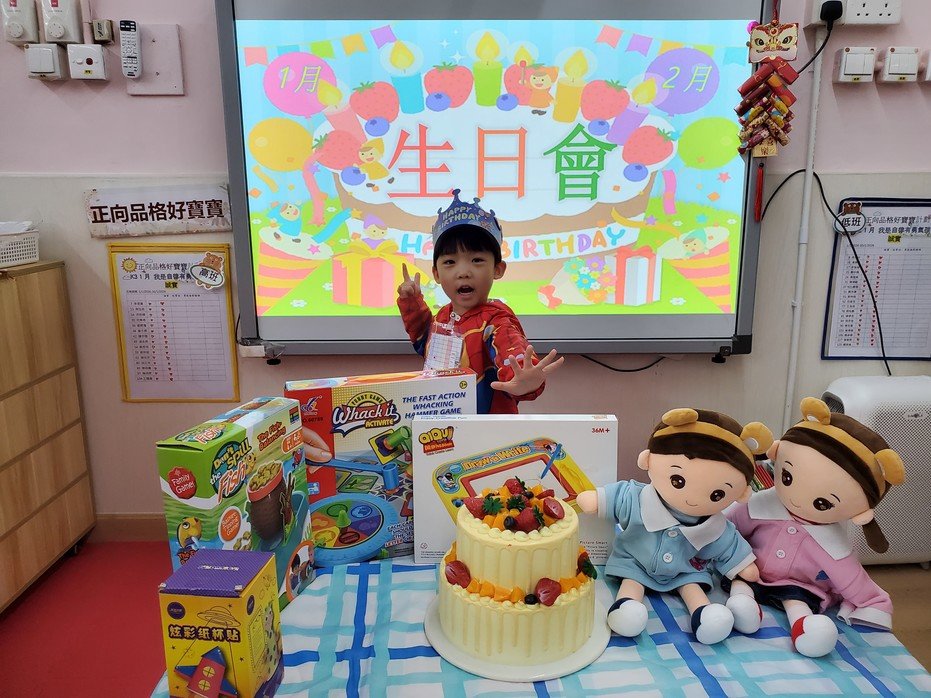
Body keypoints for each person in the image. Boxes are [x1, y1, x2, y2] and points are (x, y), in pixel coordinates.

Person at [724, 397, 905, 658]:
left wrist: (873, 602)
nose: (798, 499)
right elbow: (727, 525)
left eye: (823, 503)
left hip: (799, 585)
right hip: (751, 568)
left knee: (797, 600)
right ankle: (743, 606)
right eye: (787, 477)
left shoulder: (832, 542)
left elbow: (850, 577)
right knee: (742, 579)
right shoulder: (762, 504)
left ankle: (805, 628)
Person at [576, 408, 772, 645]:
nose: (693, 499)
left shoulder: (715, 526)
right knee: (631, 584)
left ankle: (705, 616)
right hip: (635, 563)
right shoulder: (638, 499)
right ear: (647, 460)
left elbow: (729, 545)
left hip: (686, 570)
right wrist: (597, 499)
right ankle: (625, 608)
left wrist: (743, 565)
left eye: (717, 494)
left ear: (741, 493)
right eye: (677, 481)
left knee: (692, 587)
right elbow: (618, 497)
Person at [397, 189, 563, 414]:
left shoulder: (496, 320)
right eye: (450, 262)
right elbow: (423, 341)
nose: (463, 272)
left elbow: (511, 348)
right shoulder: (443, 316)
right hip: (440, 424)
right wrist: (412, 302)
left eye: (476, 260)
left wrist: (524, 379)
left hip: (486, 430)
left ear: (498, 269)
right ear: (436, 274)